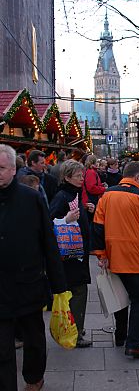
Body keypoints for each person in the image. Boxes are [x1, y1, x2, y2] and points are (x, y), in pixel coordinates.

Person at [0, 145, 67, 391]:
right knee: (3, 348)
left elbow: (48, 242)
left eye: (2, 168)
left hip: (28, 284)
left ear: (12, 168)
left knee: (34, 339)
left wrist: (59, 285)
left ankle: (34, 378)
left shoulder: (31, 198)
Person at [92, 161, 139, 359]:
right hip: (136, 258)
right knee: (138, 301)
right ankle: (133, 344)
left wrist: (102, 254)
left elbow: (98, 226)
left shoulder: (107, 194)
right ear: (137, 177)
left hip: (114, 256)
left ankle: (120, 336)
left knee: (119, 299)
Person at [50, 160, 95, 348]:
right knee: (79, 290)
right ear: (67, 177)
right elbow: (50, 220)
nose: (82, 178)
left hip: (75, 254)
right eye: (78, 175)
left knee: (77, 289)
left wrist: (85, 210)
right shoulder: (62, 195)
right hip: (70, 256)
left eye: (82, 175)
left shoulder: (72, 194)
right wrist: (65, 219)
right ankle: (76, 333)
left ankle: (74, 326)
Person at [82, 154, 106, 222]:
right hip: (92, 199)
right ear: (94, 162)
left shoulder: (90, 171)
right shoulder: (91, 172)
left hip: (91, 198)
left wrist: (100, 185)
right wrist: (103, 189)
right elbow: (91, 188)